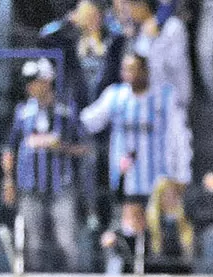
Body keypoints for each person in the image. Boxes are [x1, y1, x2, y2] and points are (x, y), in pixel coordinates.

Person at [1, 59, 87, 274]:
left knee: (67, 242)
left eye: (35, 81)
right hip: (29, 188)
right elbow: (10, 150)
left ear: (47, 81)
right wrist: (9, 181)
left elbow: (85, 147)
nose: (30, 86)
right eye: (28, 82)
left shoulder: (66, 111)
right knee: (33, 244)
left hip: (62, 188)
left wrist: (60, 146)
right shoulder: (22, 112)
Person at [82, 51, 193, 217]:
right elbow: (89, 121)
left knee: (159, 235)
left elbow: (180, 136)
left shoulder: (164, 97)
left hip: (160, 181)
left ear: (145, 71)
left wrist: (182, 175)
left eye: (133, 69)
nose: (128, 74)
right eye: (125, 69)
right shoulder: (116, 96)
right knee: (130, 233)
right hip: (126, 182)